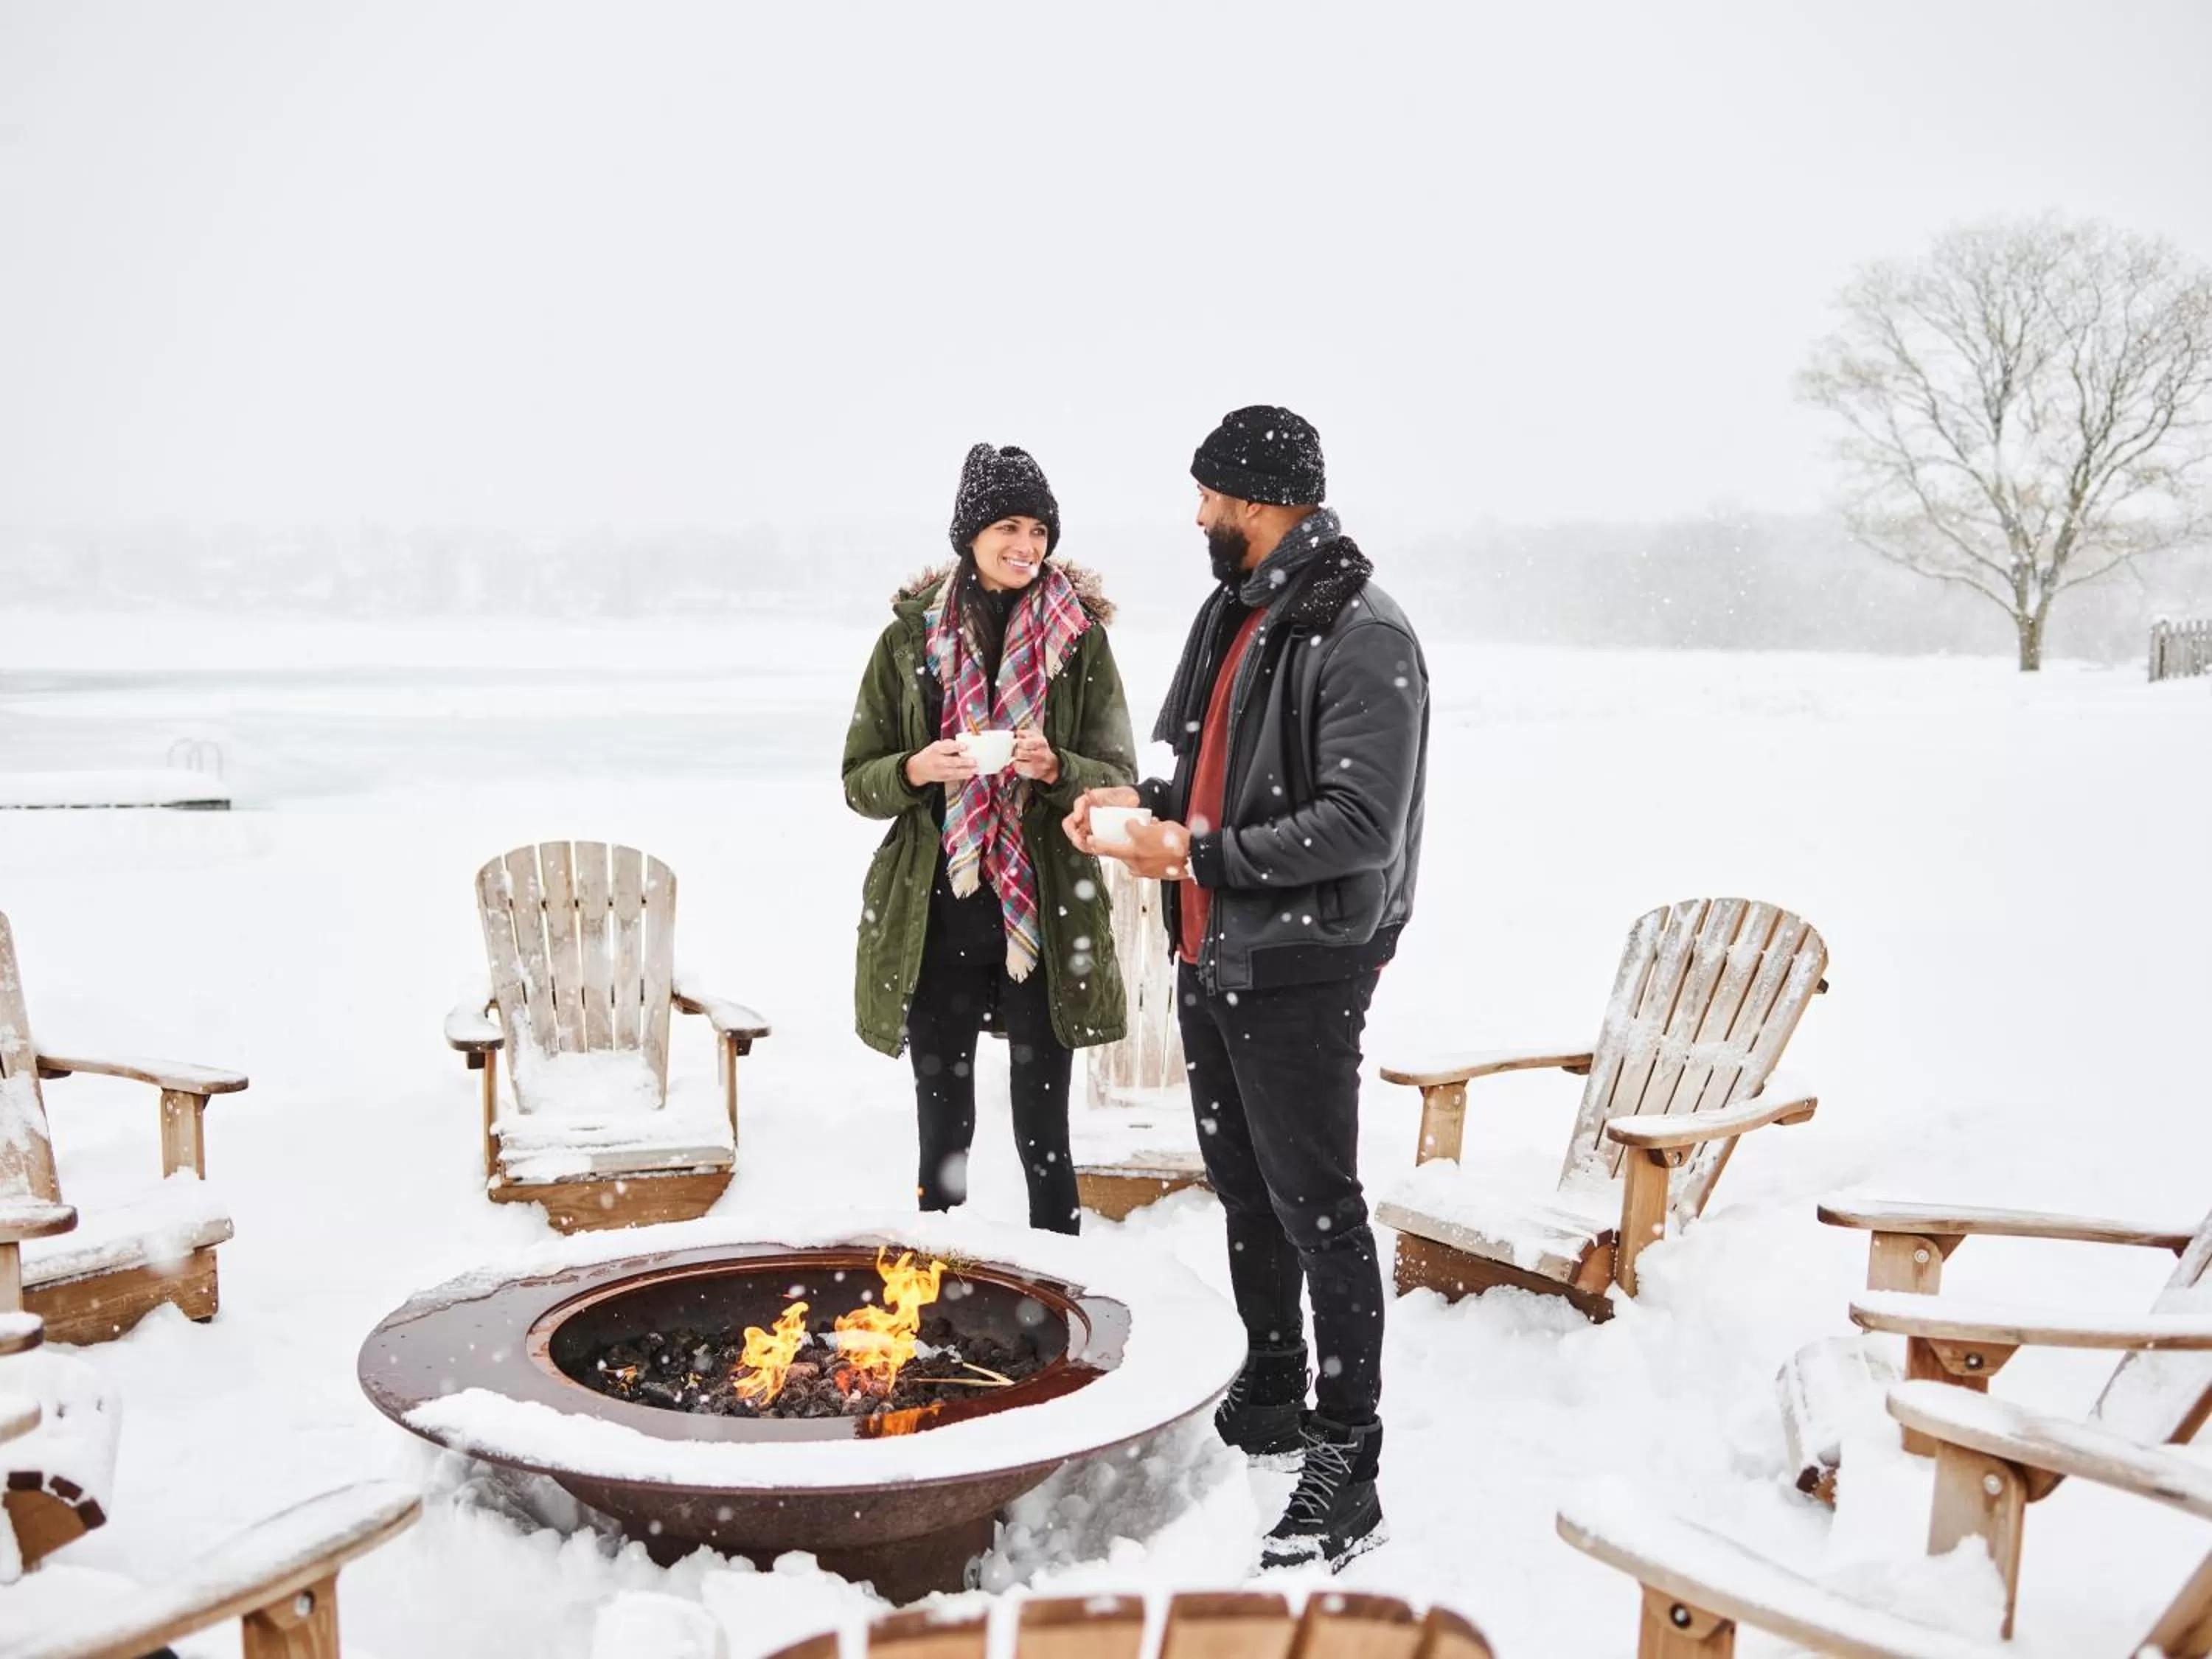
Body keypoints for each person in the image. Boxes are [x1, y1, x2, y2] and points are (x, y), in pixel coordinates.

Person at [1065, 406, 1429, 1570]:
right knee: (1247, 1186)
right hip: (1213, 949)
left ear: (1264, 502)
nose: (1199, 516)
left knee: (1320, 1205)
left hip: (1303, 963)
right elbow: (1191, 766)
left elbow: (1360, 827)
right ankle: (1272, 1385)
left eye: (1212, 497)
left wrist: (1200, 857)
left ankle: (1349, 1458)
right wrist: (1131, 814)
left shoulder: (1361, 631)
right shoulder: (1241, 611)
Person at [844, 442, 1137, 1234]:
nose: (1027, 545)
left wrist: (1055, 766)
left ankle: (1065, 1284)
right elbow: (857, 780)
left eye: (1040, 528)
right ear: (969, 534)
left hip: (1046, 911)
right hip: (936, 913)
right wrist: (914, 769)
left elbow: (1118, 776)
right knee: (943, 1130)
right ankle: (935, 1282)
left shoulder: (1080, 642)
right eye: (1008, 525)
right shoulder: (911, 643)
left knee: (1046, 1133)